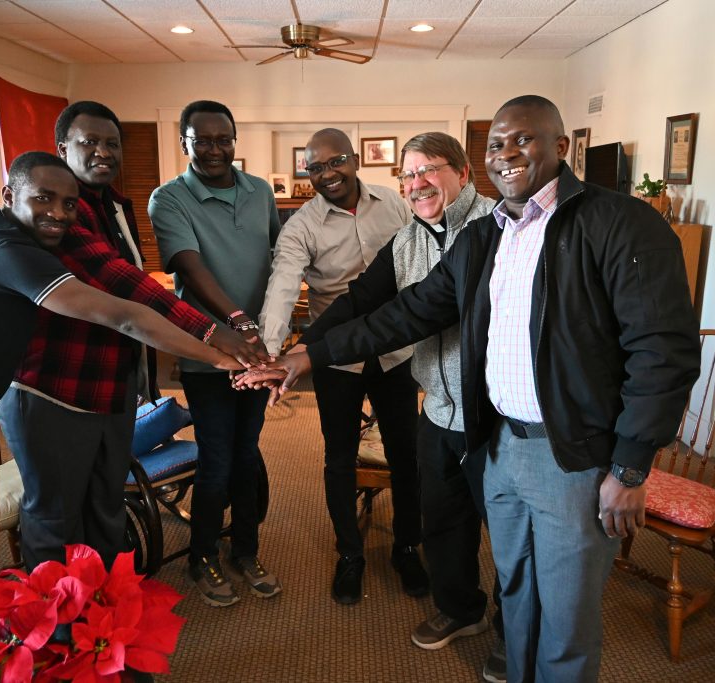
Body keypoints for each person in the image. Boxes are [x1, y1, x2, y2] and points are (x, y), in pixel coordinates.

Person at [239, 95, 701, 682]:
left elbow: (664, 353)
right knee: (515, 590)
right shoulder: (485, 238)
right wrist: (307, 356)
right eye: (496, 145)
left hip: (572, 457)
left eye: (522, 140)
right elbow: (402, 314)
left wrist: (631, 467)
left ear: (561, 147)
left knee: (564, 619)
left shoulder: (620, 222)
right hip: (496, 444)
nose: (507, 154)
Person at [0, 152, 241, 671]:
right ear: (8, 195)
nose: (58, 213)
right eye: (42, 198)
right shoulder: (3, 249)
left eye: (67, 203)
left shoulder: (21, 243)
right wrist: (223, 355)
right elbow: (124, 315)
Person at [0, 102, 264, 575]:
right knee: (56, 516)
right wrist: (218, 338)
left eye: (112, 143)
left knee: (106, 502)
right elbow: (126, 288)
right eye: (89, 143)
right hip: (53, 386)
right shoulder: (62, 209)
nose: (103, 152)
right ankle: (57, 631)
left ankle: (105, 611)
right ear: (62, 150)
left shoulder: (113, 205)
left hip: (110, 383)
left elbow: (132, 287)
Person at [293, 131, 505, 674]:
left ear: (462, 171)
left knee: (508, 534)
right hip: (438, 406)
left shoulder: (496, 227)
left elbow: (407, 317)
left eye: (428, 171)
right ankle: (461, 610)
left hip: (496, 415)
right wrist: (302, 348)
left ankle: (511, 630)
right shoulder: (409, 238)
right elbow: (362, 301)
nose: (416, 185)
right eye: (407, 176)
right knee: (444, 519)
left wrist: (306, 359)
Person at [257, 128, 426, 605]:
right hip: (336, 358)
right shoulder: (301, 226)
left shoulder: (393, 204)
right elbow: (283, 287)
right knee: (338, 459)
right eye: (315, 168)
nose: (327, 174)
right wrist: (273, 356)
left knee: (406, 454)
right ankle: (349, 553)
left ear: (354, 161)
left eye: (335, 163)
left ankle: (407, 547)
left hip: (397, 350)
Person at [149, 100, 282, 607]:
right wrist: (238, 323)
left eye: (222, 139)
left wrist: (269, 330)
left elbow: (278, 258)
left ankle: (244, 550)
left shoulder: (259, 192)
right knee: (218, 456)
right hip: (206, 351)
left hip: (258, 352)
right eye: (200, 140)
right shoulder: (170, 198)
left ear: (234, 140)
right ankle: (202, 554)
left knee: (247, 454)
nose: (213, 149)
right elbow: (191, 269)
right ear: (183, 142)